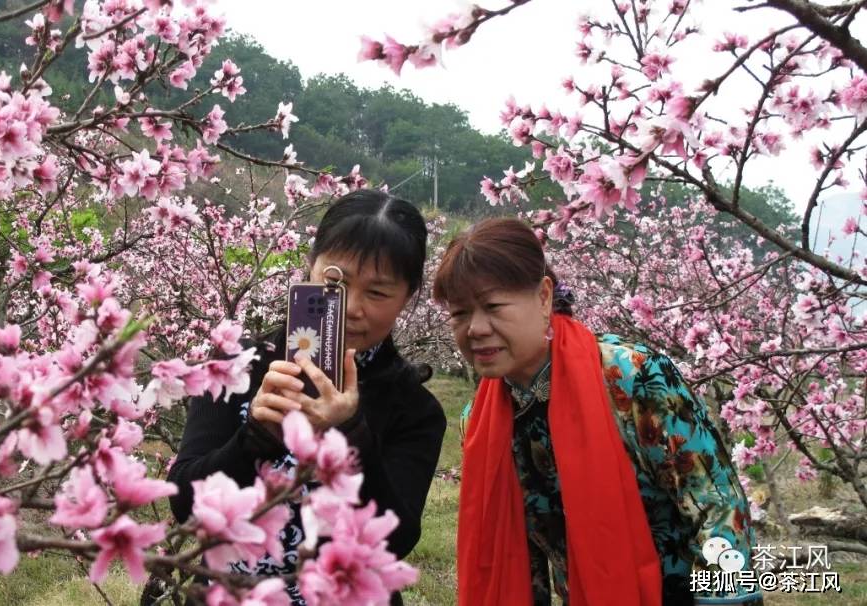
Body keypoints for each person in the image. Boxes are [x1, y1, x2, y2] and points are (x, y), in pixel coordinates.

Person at [434, 217, 762, 606]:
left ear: (543, 297)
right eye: (459, 314)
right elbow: (520, 559)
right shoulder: (480, 421)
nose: (475, 329)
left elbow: (717, 506)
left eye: (492, 306)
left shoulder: (633, 378)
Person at [160, 189, 447, 605]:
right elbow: (185, 505)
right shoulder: (238, 366)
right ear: (309, 267)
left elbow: (395, 539)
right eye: (336, 281)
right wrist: (255, 436)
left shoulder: (414, 408)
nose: (351, 307)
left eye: (379, 292)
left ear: (409, 297)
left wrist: (350, 433)